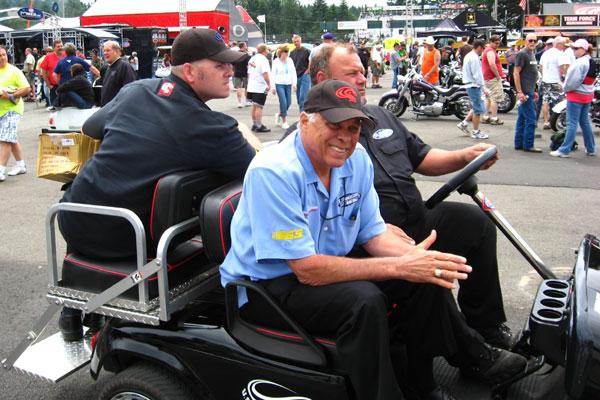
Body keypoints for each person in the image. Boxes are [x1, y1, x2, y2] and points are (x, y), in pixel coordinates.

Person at [226, 79, 527, 400]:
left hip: (324, 264)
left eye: (353, 128)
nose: (345, 137)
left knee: (423, 276)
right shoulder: (275, 171)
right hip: (267, 287)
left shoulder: (356, 159)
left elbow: (373, 232)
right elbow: (306, 269)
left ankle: (422, 384)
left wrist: (415, 258)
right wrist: (398, 266)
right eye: (334, 125)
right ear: (304, 121)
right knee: (364, 301)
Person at [57, 28, 261, 341]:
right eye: (220, 65)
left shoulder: (137, 90)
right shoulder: (210, 127)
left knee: (91, 188)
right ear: (190, 71)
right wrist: (242, 130)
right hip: (129, 239)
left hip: (73, 219)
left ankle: (71, 311)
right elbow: (257, 170)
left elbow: (91, 127)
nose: (230, 71)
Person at [550, 39, 596, 158]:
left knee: (572, 124)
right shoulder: (590, 60)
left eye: (576, 48)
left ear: (584, 49)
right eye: (573, 48)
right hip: (587, 95)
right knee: (585, 122)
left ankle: (564, 150)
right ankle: (591, 148)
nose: (574, 50)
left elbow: (572, 82)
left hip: (576, 96)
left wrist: (564, 87)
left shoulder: (579, 63)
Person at [0, 46, 31, 181]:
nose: (2, 57)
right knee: (11, 138)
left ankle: (1, 170)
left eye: (3, 55)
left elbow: (27, 89)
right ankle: (21, 165)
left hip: (12, 109)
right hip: (1, 110)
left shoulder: (14, 71)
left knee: (5, 139)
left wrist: (10, 95)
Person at [513, 33, 542, 153]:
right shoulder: (522, 53)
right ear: (525, 41)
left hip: (529, 91)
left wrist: (534, 90)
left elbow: (531, 74)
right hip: (524, 93)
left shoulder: (532, 54)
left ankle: (519, 143)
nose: (532, 43)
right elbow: (516, 73)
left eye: (535, 41)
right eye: (530, 40)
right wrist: (519, 92)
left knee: (522, 118)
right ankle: (528, 144)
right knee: (531, 119)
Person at [457, 40, 489, 140]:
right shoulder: (474, 58)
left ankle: (464, 123)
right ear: (479, 47)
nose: (483, 50)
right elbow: (477, 75)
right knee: (478, 110)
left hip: (470, 84)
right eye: (483, 48)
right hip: (474, 85)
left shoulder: (469, 55)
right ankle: (475, 132)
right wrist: (483, 87)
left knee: (476, 107)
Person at [539, 37, 569, 130]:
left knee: (545, 101)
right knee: (561, 102)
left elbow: (541, 67)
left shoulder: (545, 53)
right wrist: (563, 79)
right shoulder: (560, 54)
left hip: (545, 81)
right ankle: (558, 122)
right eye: (563, 44)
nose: (564, 46)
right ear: (558, 44)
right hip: (556, 81)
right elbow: (562, 68)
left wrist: (544, 76)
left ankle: (546, 122)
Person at [100, 40, 137, 106]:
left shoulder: (124, 66)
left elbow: (129, 92)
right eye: (104, 51)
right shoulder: (109, 68)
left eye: (108, 50)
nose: (105, 53)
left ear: (117, 51)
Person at [247, 43, 271, 132]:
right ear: (264, 50)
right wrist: (268, 84)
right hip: (260, 86)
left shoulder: (252, 58)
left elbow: (249, 72)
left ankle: (255, 124)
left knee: (254, 105)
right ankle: (259, 125)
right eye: (267, 50)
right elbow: (265, 73)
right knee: (259, 106)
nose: (268, 51)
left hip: (251, 85)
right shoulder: (263, 60)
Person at [481, 35, 505, 125]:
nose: (497, 45)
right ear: (490, 42)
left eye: (498, 43)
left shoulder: (487, 50)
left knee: (488, 98)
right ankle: (494, 118)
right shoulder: (490, 51)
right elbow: (492, 64)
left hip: (487, 77)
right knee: (494, 98)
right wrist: (498, 76)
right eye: (496, 43)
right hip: (492, 78)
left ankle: (485, 116)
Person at [271, 45, 297, 130]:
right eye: (285, 52)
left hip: (288, 84)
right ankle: (284, 122)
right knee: (283, 102)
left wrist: (294, 84)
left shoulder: (290, 60)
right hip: (279, 84)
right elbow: (273, 75)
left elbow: (293, 72)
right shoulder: (276, 61)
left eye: (287, 52)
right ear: (280, 53)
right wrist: (273, 87)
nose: (286, 54)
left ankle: (279, 114)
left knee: (288, 102)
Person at [39, 39, 64, 109]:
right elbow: (43, 72)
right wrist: (49, 85)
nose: (60, 48)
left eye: (61, 46)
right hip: (54, 87)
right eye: (58, 46)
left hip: (66, 86)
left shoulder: (66, 55)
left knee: (66, 108)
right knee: (55, 108)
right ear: (54, 48)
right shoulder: (48, 57)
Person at [290, 35, 311, 112]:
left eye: (297, 41)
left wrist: (308, 70)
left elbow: (311, 61)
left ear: (300, 41)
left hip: (304, 75)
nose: (296, 43)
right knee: (298, 97)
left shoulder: (307, 51)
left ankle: (303, 113)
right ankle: (303, 113)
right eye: (294, 42)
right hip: (296, 76)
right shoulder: (292, 53)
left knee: (303, 96)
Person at [233, 42, 251, 108]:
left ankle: (239, 102)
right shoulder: (246, 55)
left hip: (237, 72)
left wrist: (233, 70)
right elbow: (249, 64)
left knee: (238, 87)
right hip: (245, 72)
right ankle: (247, 101)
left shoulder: (235, 54)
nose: (246, 46)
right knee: (247, 87)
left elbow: (232, 64)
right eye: (245, 45)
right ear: (243, 46)